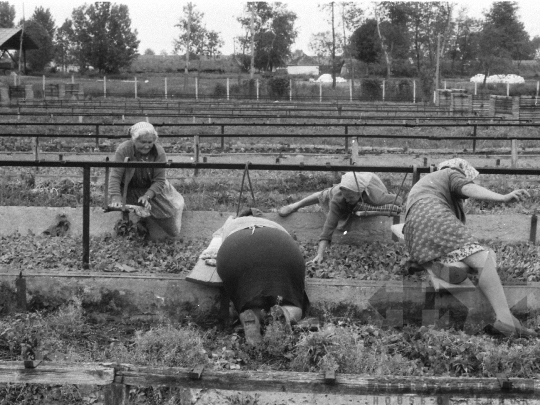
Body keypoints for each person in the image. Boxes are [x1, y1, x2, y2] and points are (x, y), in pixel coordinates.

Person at [403, 158, 536, 338]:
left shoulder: (426, 185)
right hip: (434, 217)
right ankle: (506, 320)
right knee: (483, 258)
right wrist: (502, 197)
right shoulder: (450, 173)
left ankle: (441, 264)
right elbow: (466, 188)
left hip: (414, 233)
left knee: (461, 255)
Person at [216, 208, 310, 345]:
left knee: (247, 301)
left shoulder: (231, 224)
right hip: (281, 245)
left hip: (237, 247)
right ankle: (285, 313)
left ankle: (251, 316)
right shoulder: (274, 225)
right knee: (292, 302)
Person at [279, 172, 402, 264]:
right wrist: (320, 254)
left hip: (365, 185)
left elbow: (398, 200)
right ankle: (295, 205)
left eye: (351, 197)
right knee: (323, 195)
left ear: (361, 193)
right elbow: (328, 227)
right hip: (334, 193)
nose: (347, 199)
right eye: (346, 196)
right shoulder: (339, 197)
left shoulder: (375, 196)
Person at [109, 122, 184, 238]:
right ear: (134, 140)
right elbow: (115, 176)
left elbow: (159, 180)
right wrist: (115, 197)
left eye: (150, 142)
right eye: (143, 142)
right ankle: (133, 229)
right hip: (129, 188)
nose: (147, 146)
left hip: (152, 189)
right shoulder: (124, 150)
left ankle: (154, 226)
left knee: (171, 214)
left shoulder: (159, 152)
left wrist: (147, 196)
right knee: (129, 212)